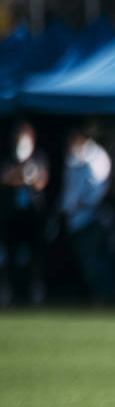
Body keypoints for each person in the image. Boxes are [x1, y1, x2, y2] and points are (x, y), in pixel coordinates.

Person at [59, 123, 115, 302]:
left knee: (93, 261)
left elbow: (98, 192)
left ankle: (104, 297)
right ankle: (93, 296)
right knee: (83, 262)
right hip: (74, 219)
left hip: (91, 219)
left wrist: (82, 204)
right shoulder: (73, 158)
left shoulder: (97, 158)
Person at [0, 119, 50, 305]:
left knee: (35, 257)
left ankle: (36, 291)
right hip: (11, 216)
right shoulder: (7, 159)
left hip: (32, 217)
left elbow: (41, 181)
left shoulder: (38, 158)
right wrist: (20, 176)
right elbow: (5, 177)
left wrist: (28, 178)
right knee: (7, 255)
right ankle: (6, 291)